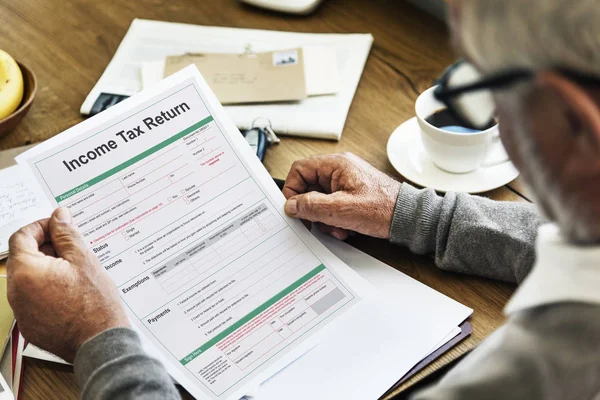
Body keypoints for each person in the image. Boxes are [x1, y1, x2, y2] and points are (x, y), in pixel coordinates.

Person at [7, 0, 600, 398]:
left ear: (577, 120)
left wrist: (98, 341)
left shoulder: (547, 368)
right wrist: (417, 213)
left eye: (484, 89)